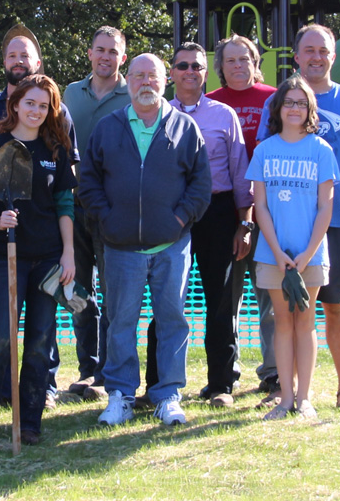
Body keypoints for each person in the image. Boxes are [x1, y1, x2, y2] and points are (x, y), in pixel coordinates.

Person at [256, 24, 340, 412]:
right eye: (308, 50)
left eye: (323, 50)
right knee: (286, 310)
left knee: (333, 303)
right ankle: (286, 390)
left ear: (333, 56)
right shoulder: (278, 102)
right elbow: (266, 151)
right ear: (296, 56)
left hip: (338, 220)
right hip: (285, 223)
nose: (316, 57)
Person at [78, 54, 211, 427]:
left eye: (152, 76)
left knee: (172, 321)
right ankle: (120, 394)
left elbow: (201, 185)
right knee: (121, 322)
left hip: (172, 245)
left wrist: (179, 219)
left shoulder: (185, 128)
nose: (145, 83)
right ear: (129, 81)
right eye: (138, 76)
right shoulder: (108, 127)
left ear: (164, 81)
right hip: (120, 248)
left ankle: (168, 394)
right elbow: (88, 182)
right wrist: (108, 219)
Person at [0, 75, 77, 446]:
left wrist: (69, 253)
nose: (36, 111)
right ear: (16, 105)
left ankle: (29, 420)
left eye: (44, 106)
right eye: (30, 103)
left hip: (46, 259)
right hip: (3, 257)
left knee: (41, 339)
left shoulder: (54, 149)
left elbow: (64, 204)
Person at [144, 42, 251, 407]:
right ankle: (157, 385)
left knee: (220, 302)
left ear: (206, 73)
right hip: (171, 214)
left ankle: (221, 384)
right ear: (171, 73)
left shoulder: (224, 116)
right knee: (166, 299)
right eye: (183, 66)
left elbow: (240, 175)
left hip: (219, 214)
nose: (190, 72)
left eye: (198, 67)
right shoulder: (155, 115)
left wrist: (244, 224)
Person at [247, 76, 338, 420]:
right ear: (278, 108)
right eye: (289, 102)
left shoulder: (321, 150)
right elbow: (261, 207)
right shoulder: (265, 150)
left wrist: (307, 254)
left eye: (302, 103)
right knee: (282, 323)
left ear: (310, 109)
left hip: (310, 255)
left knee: (306, 322)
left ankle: (304, 399)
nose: (295, 108)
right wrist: (278, 252)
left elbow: (325, 207)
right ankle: (284, 398)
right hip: (273, 255)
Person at [206, 34, 278, 396]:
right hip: (224, 215)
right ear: (220, 67)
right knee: (226, 299)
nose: (238, 65)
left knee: (269, 295)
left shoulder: (273, 99)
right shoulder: (211, 104)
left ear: (255, 62)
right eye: (231, 60)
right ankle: (226, 374)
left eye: (245, 59)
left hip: (269, 212)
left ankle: (274, 372)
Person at [61, 26, 130, 398]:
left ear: (123, 56)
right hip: (73, 207)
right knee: (76, 289)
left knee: (114, 291)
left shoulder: (130, 93)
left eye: (113, 51)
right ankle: (88, 368)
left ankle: (108, 367)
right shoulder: (71, 93)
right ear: (90, 53)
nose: (105, 57)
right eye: (100, 50)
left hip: (112, 209)